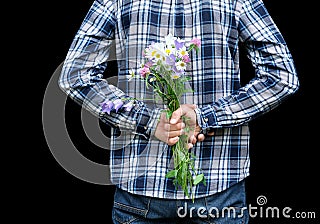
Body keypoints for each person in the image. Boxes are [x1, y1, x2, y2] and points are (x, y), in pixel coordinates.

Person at [58, 0, 299, 223]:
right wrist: (206, 117)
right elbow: (282, 77)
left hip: (142, 189)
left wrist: (153, 123)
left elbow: (75, 77)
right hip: (218, 188)